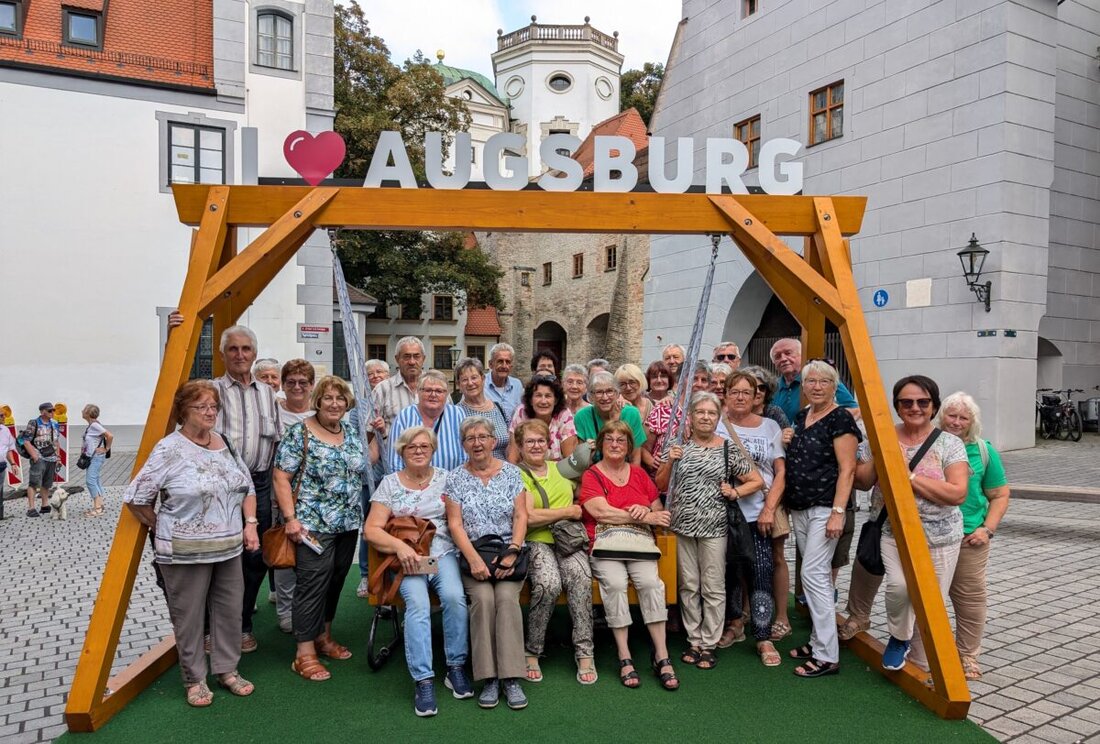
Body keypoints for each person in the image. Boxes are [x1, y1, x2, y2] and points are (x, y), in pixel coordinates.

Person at [123, 380, 258, 707]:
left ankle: (227, 670)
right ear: (184, 411)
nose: (211, 412)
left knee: (229, 613)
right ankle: (195, 679)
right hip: (185, 551)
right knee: (189, 617)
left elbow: (247, 487)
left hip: (228, 548)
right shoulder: (169, 448)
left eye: (214, 406)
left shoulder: (224, 442)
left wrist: (250, 524)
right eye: (202, 406)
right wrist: (161, 525)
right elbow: (136, 497)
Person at [856, 376, 967, 673]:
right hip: (893, 532)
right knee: (901, 587)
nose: (915, 407)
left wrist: (911, 478)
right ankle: (899, 638)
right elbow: (863, 482)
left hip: (940, 537)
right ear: (896, 406)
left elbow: (957, 493)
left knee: (932, 601)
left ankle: (923, 660)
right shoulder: (881, 437)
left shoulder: (949, 443)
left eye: (922, 402)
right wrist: (881, 451)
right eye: (906, 402)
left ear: (933, 406)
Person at [364, 426, 473, 716]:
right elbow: (371, 530)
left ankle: (456, 666)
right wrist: (399, 547)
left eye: (424, 446)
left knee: (453, 597)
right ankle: (423, 679)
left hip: (441, 553)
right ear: (401, 451)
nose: (419, 451)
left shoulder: (446, 480)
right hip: (406, 559)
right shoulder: (389, 483)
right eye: (412, 447)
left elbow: (458, 520)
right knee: (418, 605)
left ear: (433, 450)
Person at [657, 392, 761, 671]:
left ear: (718, 417)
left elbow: (756, 480)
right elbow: (660, 483)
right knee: (688, 585)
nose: (705, 417)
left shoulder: (727, 448)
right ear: (690, 417)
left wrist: (735, 491)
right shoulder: (678, 446)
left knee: (713, 586)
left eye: (711, 413)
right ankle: (694, 639)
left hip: (715, 526)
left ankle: (709, 642)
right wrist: (670, 461)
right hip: (682, 526)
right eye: (700, 412)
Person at [273, 376, 364, 683]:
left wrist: (379, 434)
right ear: (318, 401)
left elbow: (361, 464)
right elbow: (281, 477)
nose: (335, 403)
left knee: (336, 581)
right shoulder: (300, 433)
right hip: (312, 524)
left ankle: (324, 637)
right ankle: (304, 652)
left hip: (348, 523)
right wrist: (290, 518)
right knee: (312, 584)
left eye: (340, 398)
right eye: (328, 398)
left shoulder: (351, 433)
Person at [580, 421, 679, 691]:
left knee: (651, 584)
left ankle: (661, 655)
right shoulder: (592, 475)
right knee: (614, 584)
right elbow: (600, 512)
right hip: (605, 545)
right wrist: (639, 515)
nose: (615, 444)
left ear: (628, 446)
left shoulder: (638, 474)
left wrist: (644, 508)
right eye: (609, 439)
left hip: (639, 544)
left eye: (621, 440)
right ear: (601, 445)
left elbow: (658, 510)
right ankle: (624, 655)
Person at [445, 417, 530, 710]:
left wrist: (514, 550)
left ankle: (511, 677)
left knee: (506, 599)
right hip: (474, 556)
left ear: (494, 442)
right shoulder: (455, 477)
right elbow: (455, 524)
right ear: (463, 444)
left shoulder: (511, 473)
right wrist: (472, 559)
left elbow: (521, 516)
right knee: (482, 599)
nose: (477, 443)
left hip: (508, 553)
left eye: (483, 437)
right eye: (470, 438)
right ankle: (489, 677)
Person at [783, 359, 860, 678]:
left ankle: (828, 655)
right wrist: (788, 437)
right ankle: (817, 642)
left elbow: (849, 469)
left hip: (825, 508)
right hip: (800, 506)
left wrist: (838, 512)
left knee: (815, 575)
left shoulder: (840, 418)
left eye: (823, 382)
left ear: (834, 386)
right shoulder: (803, 416)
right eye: (810, 381)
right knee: (811, 577)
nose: (816, 386)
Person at [212, 325, 283, 654]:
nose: (240, 355)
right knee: (219, 556)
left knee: (256, 558)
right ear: (222, 353)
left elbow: (278, 442)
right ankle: (214, 628)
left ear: (254, 354)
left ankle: (242, 623)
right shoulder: (212, 392)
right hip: (220, 486)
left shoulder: (268, 394)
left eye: (246, 349)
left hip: (260, 481)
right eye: (233, 349)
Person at [515, 419, 596, 685]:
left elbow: (584, 488)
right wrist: (566, 511)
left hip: (569, 541)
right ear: (520, 446)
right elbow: (527, 517)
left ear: (549, 444)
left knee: (581, 578)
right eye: (530, 441)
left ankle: (585, 651)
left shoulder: (561, 468)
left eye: (540, 440)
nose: (536, 446)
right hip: (537, 540)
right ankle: (533, 649)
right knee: (548, 584)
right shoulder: (517, 475)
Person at [938, 392, 1010, 681]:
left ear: (971, 422)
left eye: (962, 418)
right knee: (924, 597)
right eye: (951, 415)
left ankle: (967, 654)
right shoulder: (928, 444)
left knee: (969, 599)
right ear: (940, 415)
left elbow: (1000, 494)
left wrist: (987, 529)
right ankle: (926, 650)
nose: (956, 422)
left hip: (970, 537)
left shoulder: (982, 450)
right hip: (931, 535)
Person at [721, 372, 786, 665]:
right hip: (724, 513)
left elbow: (780, 472)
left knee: (761, 570)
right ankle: (735, 623)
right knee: (730, 572)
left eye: (747, 392)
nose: (740, 397)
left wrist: (769, 508)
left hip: (758, 510)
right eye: (734, 391)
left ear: (755, 395)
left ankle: (763, 634)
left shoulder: (769, 426)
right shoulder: (716, 423)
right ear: (725, 393)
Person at [272, 359, 316, 633]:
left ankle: (307, 607)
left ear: (312, 386)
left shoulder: (319, 413)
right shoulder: (275, 413)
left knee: (312, 556)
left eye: (303, 382)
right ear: (283, 385)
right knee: (286, 553)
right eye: (291, 382)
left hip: (314, 498)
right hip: (284, 491)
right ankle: (285, 609)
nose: (297, 387)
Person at [388, 371, 468, 473]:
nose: (433, 395)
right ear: (418, 392)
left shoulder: (457, 414)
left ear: (447, 394)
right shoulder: (405, 416)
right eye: (428, 390)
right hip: (413, 485)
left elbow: (466, 453)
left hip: (451, 483)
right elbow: (395, 461)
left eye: (439, 391)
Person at [643, 362, 712, 473]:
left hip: (695, 484)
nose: (699, 384)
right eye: (694, 378)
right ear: (680, 381)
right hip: (663, 482)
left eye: (704, 380)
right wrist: (651, 462)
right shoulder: (664, 409)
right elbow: (644, 448)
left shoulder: (710, 414)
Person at [769, 339, 858, 424]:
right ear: (774, 363)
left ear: (802, 355)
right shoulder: (771, 387)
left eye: (788, 353)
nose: (783, 359)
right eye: (777, 356)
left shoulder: (825, 381)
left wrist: (821, 423)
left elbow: (855, 411)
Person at [574, 372, 646, 466]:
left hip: (625, 472)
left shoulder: (631, 414)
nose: (605, 397)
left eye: (609, 391)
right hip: (593, 473)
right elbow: (580, 463)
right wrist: (586, 451)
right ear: (591, 396)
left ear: (617, 393)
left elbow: (635, 459)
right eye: (599, 392)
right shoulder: (582, 416)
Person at [372, 337, 424, 457]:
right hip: (395, 461)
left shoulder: (435, 387)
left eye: (416, 356)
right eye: (406, 356)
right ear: (397, 359)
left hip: (432, 463)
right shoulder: (382, 389)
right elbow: (369, 433)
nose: (412, 361)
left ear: (423, 359)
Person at [507, 375, 578, 462]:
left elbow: (570, 459)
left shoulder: (564, 414)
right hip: (526, 470)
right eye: (538, 395)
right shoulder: (522, 412)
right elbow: (513, 456)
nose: (543, 401)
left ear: (555, 400)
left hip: (558, 471)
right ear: (530, 400)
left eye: (548, 396)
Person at [455, 357, 510, 461]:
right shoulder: (457, 413)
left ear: (483, 379)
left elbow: (511, 444)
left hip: (503, 472)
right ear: (459, 385)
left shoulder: (499, 408)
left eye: (474, 377)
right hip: (474, 471)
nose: (470, 383)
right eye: (465, 380)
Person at [20, 402, 61, 516]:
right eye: (50, 411)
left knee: (47, 483)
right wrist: (34, 455)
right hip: (39, 456)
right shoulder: (34, 423)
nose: (52, 413)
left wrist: (58, 457)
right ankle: (31, 508)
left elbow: (56, 441)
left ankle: (44, 505)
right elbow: (26, 440)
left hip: (51, 457)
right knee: (34, 482)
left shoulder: (54, 423)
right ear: (42, 412)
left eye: (53, 410)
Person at [80, 405, 113, 517]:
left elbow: (110, 435)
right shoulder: (92, 425)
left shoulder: (94, 425)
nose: (82, 411)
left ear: (88, 413)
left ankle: (97, 508)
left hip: (96, 457)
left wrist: (106, 448)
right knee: (96, 479)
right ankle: (100, 505)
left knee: (90, 481)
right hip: (92, 457)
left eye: (84, 410)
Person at [484, 343, 523, 422]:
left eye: (508, 362)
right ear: (490, 364)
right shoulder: (480, 384)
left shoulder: (517, 385)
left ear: (511, 366)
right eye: (500, 361)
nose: (504, 366)